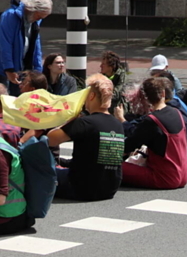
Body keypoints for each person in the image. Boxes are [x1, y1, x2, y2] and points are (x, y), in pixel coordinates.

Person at [29, 74, 125, 202]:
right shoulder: (117, 124)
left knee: (36, 171)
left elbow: (50, 139)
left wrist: (71, 119)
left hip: (80, 187)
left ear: (91, 96)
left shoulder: (85, 122)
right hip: (109, 188)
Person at [117, 77, 187, 189]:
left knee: (113, 166)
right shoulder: (177, 113)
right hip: (183, 175)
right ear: (163, 93)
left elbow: (129, 145)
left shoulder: (152, 120)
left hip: (163, 177)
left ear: (145, 98)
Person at [0, 0, 53, 95]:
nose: (40, 19)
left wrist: (37, 71)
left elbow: (36, 46)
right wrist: (9, 70)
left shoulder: (35, 20)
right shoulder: (10, 16)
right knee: (3, 98)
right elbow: (5, 45)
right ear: (32, 9)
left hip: (22, 65)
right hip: (3, 66)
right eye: (39, 16)